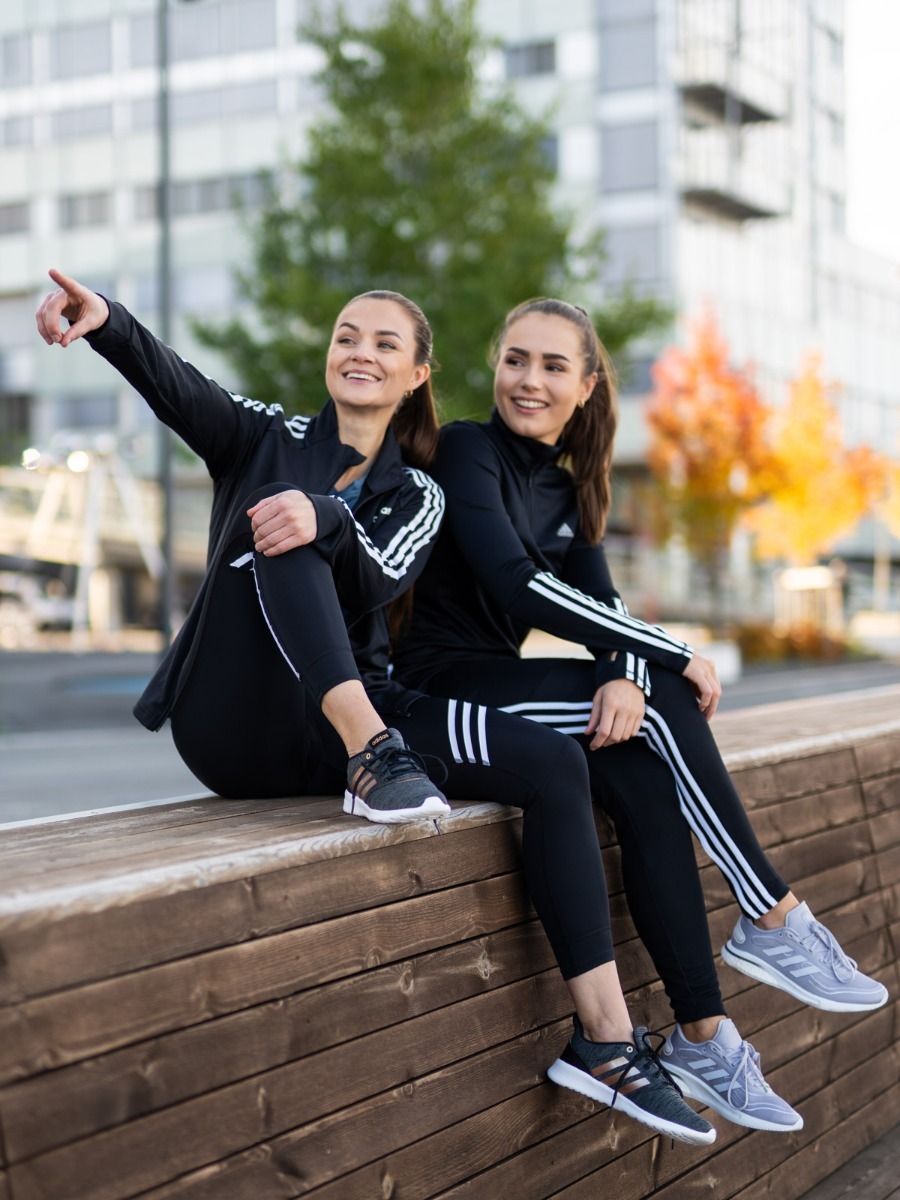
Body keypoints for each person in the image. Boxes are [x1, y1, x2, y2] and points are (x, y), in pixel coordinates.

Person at [36, 272, 716, 1147]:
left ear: (419, 374)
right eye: (348, 336)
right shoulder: (262, 437)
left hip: (366, 713)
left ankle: (606, 1042)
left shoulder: (417, 494)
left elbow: (376, 572)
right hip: (242, 722)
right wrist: (109, 324)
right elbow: (180, 385)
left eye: (385, 343)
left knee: (555, 765)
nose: (360, 352)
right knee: (281, 523)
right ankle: (374, 756)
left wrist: (328, 515)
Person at [392, 296, 889, 1134]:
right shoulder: (468, 451)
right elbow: (519, 582)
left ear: (587, 385)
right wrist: (659, 650)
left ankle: (704, 1032)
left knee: (649, 782)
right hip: (435, 687)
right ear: (495, 365)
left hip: (504, 681)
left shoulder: (565, 486)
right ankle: (770, 912)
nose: (530, 380)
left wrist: (626, 670)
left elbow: (598, 598)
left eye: (554, 366)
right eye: (517, 359)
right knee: (665, 697)